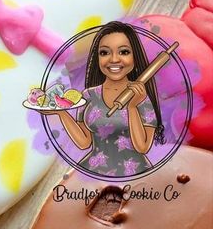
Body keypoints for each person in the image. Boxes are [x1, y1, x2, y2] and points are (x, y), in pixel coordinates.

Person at [50, 21, 164, 177]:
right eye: (105, 53)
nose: (114, 59)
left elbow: (142, 147)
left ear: (135, 56)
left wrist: (132, 108)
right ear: (97, 58)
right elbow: (84, 142)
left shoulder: (142, 98)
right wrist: (61, 113)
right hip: (93, 172)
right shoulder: (88, 95)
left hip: (135, 175)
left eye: (124, 52)